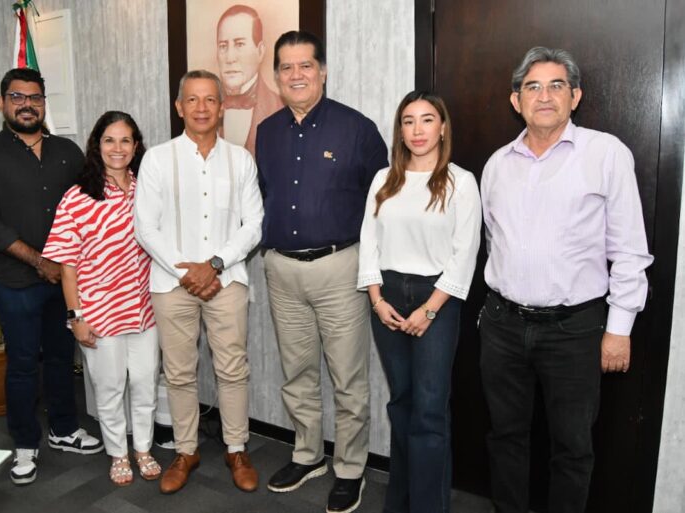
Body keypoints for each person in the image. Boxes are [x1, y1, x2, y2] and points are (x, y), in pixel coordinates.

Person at [479, 47, 654, 513]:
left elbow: (630, 251)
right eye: (532, 86)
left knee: (573, 448)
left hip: (574, 330)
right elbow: (493, 239)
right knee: (505, 438)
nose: (544, 96)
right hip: (502, 326)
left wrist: (618, 330)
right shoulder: (497, 164)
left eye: (557, 85)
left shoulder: (606, 154)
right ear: (516, 100)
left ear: (574, 96)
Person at [256, 30, 389, 513]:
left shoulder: (357, 128)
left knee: (348, 377)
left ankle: (350, 468)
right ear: (275, 77)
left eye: (305, 65)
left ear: (323, 70)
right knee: (297, 373)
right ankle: (308, 453)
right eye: (286, 68)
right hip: (281, 270)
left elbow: (383, 204)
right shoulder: (267, 131)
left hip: (339, 268)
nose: (296, 75)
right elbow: (265, 194)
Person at [0, 68, 103, 486]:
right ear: (2, 102)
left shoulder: (67, 151)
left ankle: (63, 429)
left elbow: (89, 205)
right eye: (18, 97)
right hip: (15, 282)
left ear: (44, 103)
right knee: (22, 364)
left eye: (35, 98)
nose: (27, 104)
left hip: (64, 282)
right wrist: (40, 261)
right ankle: (25, 443)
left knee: (62, 358)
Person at [134, 70, 264, 494]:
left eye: (210, 100)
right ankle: (186, 450)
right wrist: (186, 270)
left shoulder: (241, 159)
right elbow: (145, 228)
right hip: (172, 284)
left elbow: (254, 224)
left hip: (227, 280)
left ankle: (236, 448)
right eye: (193, 100)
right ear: (179, 107)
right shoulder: (156, 158)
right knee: (178, 372)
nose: (202, 108)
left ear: (221, 107)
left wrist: (215, 264)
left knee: (232, 368)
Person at [358, 92, 481, 513]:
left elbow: (464, 254)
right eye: (408, 121)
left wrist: (430, 309)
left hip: (438, 299)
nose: (417, 130)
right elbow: (368, 243)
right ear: (400, 130)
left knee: (429, 409)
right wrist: (376, 299)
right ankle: (400, 502)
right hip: (387, 296)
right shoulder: (384, 179)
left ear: (442, 127)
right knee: (402, 403)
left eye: (427, 120)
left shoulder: (461, 182)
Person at [42, 111, 160, 486]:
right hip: (99, 312)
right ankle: (118, 454)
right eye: (109, 140)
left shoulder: (147, 189)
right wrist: (76, 316)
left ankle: (143, 448)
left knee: (144, 383)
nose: (118, 148)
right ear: (97, 145)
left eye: (126, 140)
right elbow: (67, 265)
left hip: (145, 309)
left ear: (136, 146)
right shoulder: (77, 197)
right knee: (110, 389)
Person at [216, 4, 283, 156]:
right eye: (223, 46)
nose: (230, 58)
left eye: (239, 44)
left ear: (260, 52)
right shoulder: (203, 110)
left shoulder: (282, 109)